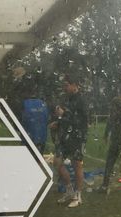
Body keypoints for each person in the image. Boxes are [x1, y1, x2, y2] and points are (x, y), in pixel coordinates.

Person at [50, 75, 89, 208]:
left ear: (75, 85)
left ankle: (78, 196)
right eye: (64, 85)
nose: (64, 88)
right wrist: (58, 122)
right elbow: (66, 119)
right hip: (65, 137)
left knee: (76, 164)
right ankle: (69, 190)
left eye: (67, 85)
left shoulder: (82, 100)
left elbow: (83, 121)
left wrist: (63, 115)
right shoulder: (66, 99)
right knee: (57, 162)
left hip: (77, 137)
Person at [99, 91, 121, 193]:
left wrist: (106, 135)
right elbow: (110, 123)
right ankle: (105, 185)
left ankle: (105, 185)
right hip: (120, 140)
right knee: (111, 162)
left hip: (120, 139)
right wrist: (106, 134)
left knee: (110, 162)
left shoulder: (120, 113)